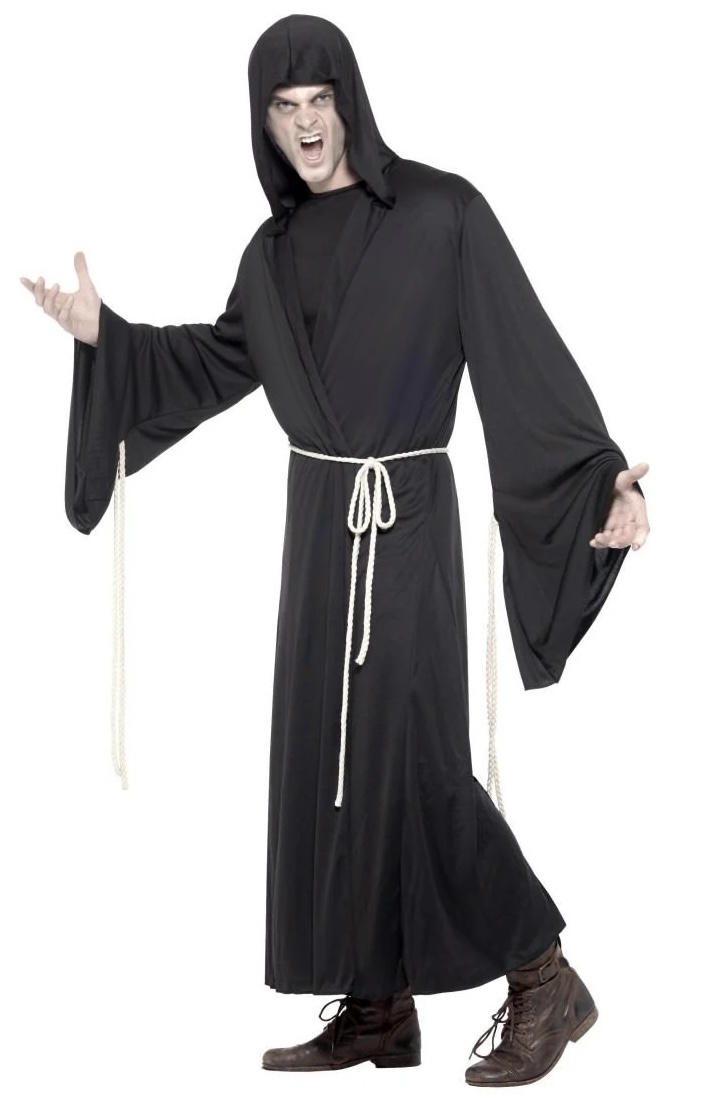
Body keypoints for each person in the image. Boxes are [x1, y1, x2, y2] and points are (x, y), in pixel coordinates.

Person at [20, 12, 650, 1089]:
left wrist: (602, 483)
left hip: (403, 518)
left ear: (350, 103)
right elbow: (218, 362)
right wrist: (104, 337)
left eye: (320, 101)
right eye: (284, 107)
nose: (306, 125)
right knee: (330, 761)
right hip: (317, 526)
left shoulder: (442, 213)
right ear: (262, 121)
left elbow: (521, 350)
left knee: (413, 763)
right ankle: (377, 1005)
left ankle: (544, 975)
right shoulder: (269, 255)